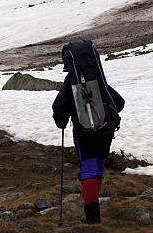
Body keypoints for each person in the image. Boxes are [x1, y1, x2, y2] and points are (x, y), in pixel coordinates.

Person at [52, 43, 125, 224]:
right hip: (106, 130)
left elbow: (59, 112)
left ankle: (92, 215)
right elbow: (120, 102)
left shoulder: (72, 81)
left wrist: (64, 119)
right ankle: (94, 209)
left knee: (89, 169)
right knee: (98, 167)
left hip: (84, 133)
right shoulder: (99, 79)